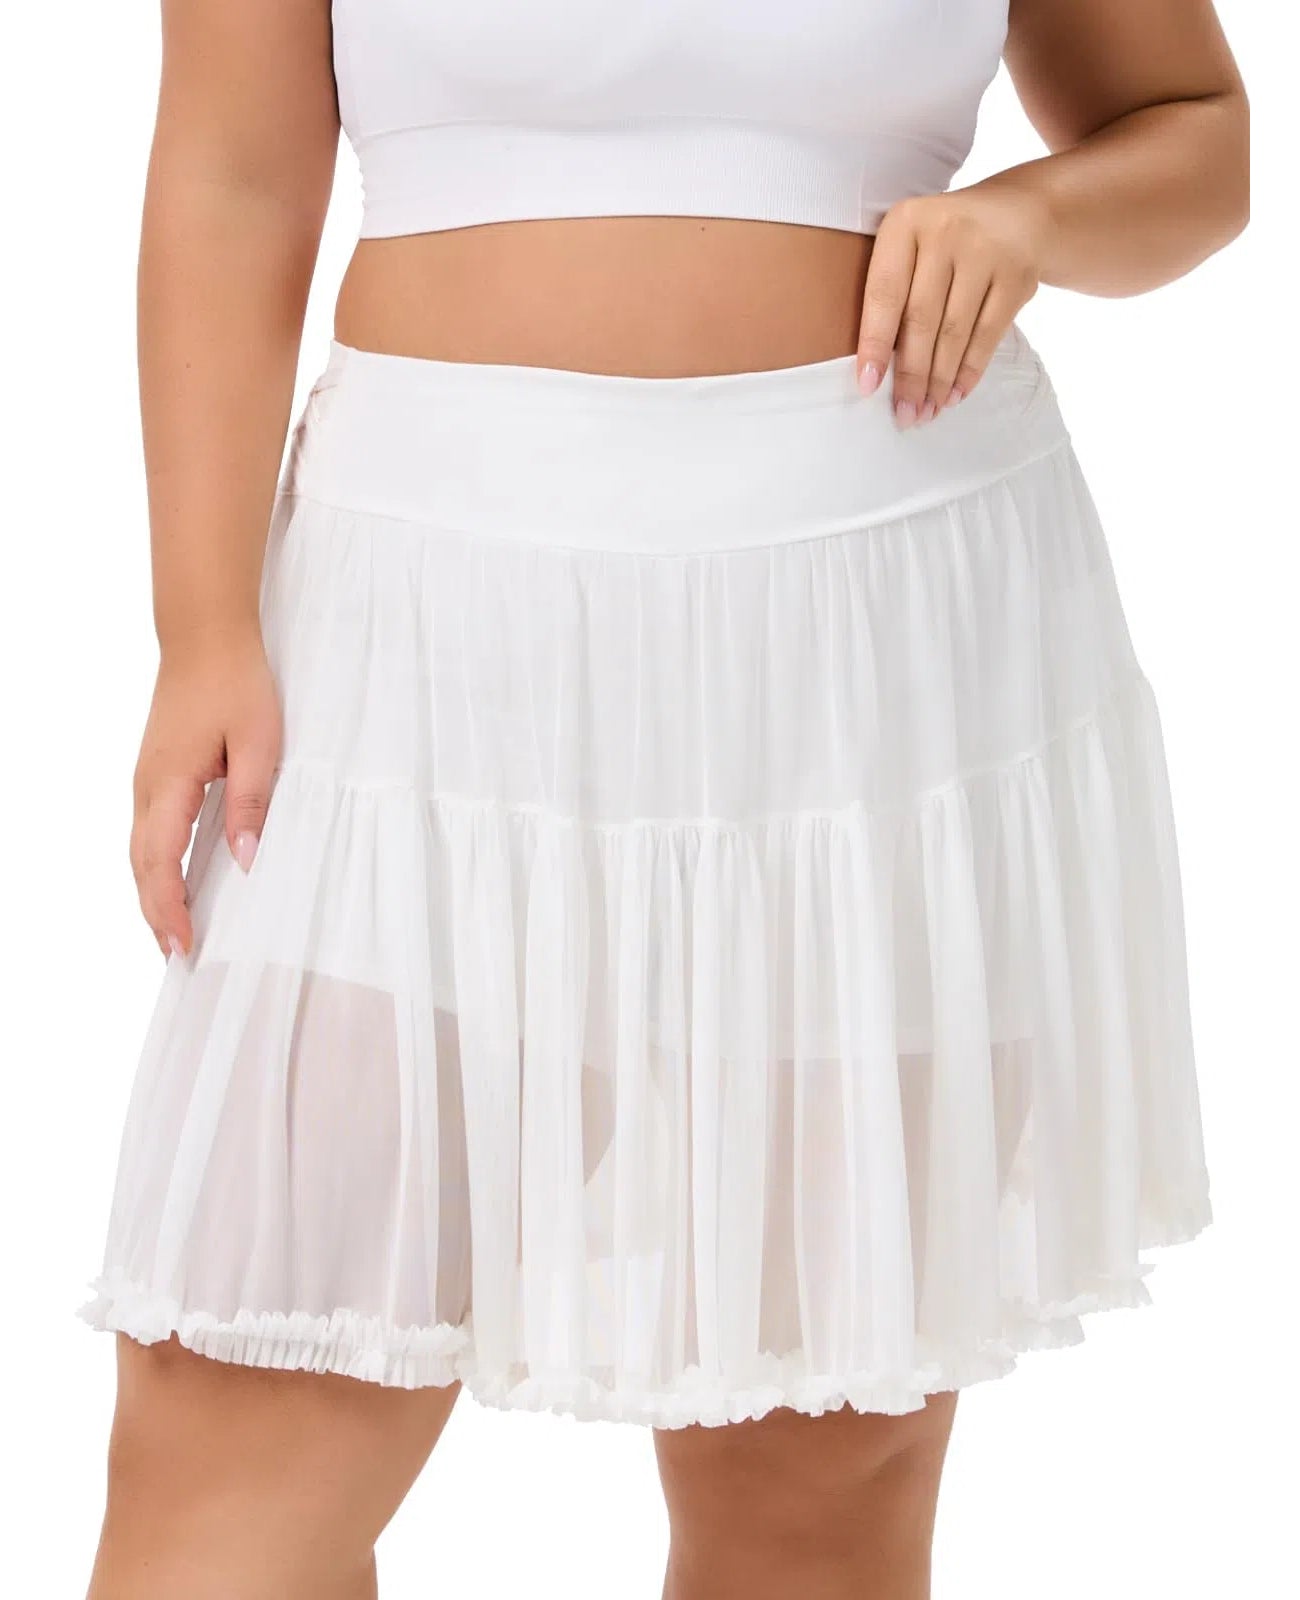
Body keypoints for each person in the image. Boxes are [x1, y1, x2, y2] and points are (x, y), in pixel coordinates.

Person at [79, 3, 1248, 1597]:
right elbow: (232, 174)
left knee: (815, 1477)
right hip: (415, 654)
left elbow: (1194, 135)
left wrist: (1028, 218)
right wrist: (202, 627)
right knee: (232, 1438)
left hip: (874, 687)